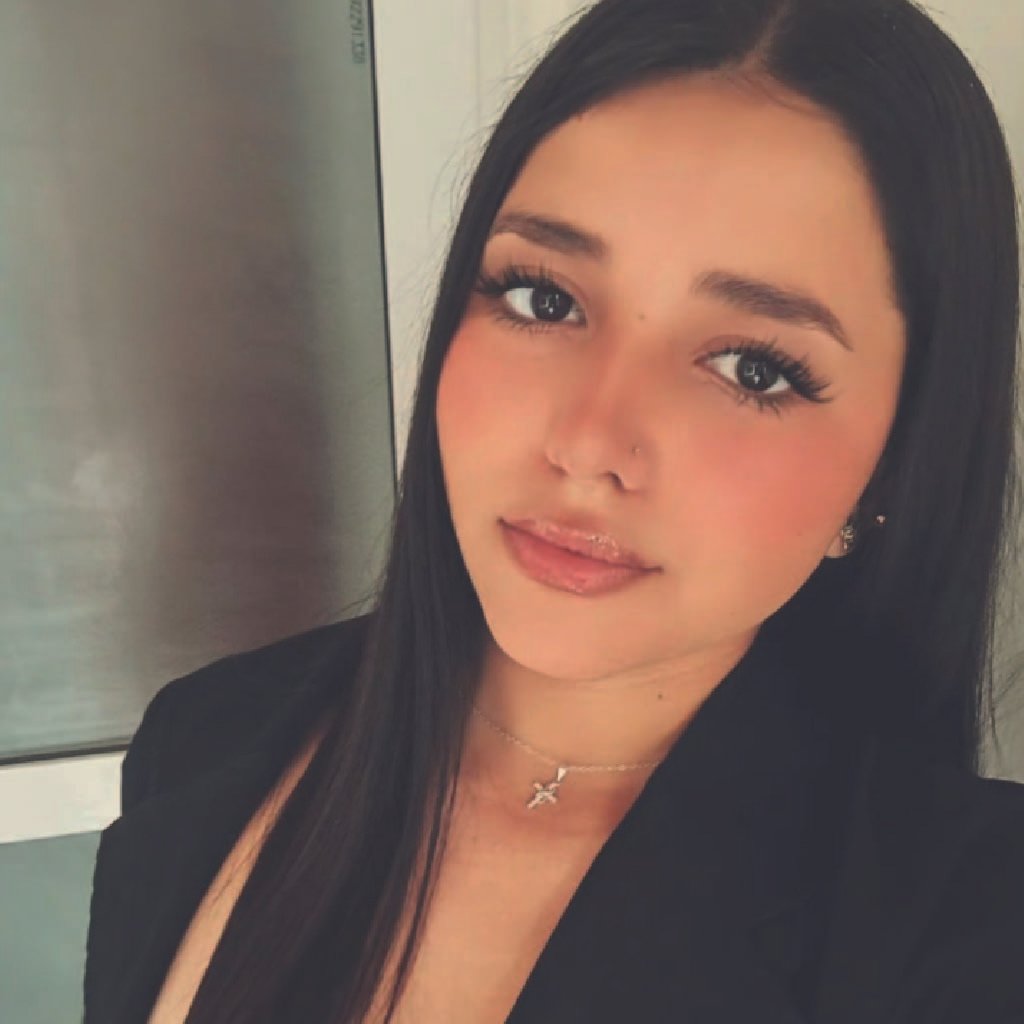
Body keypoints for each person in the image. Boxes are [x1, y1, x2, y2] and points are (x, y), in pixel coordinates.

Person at [84, 0, 1024, 1021]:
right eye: (543, 298)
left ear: (895, 464)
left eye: (753, 368)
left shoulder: (971, 932)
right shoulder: (205, 742)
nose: (587, 441)